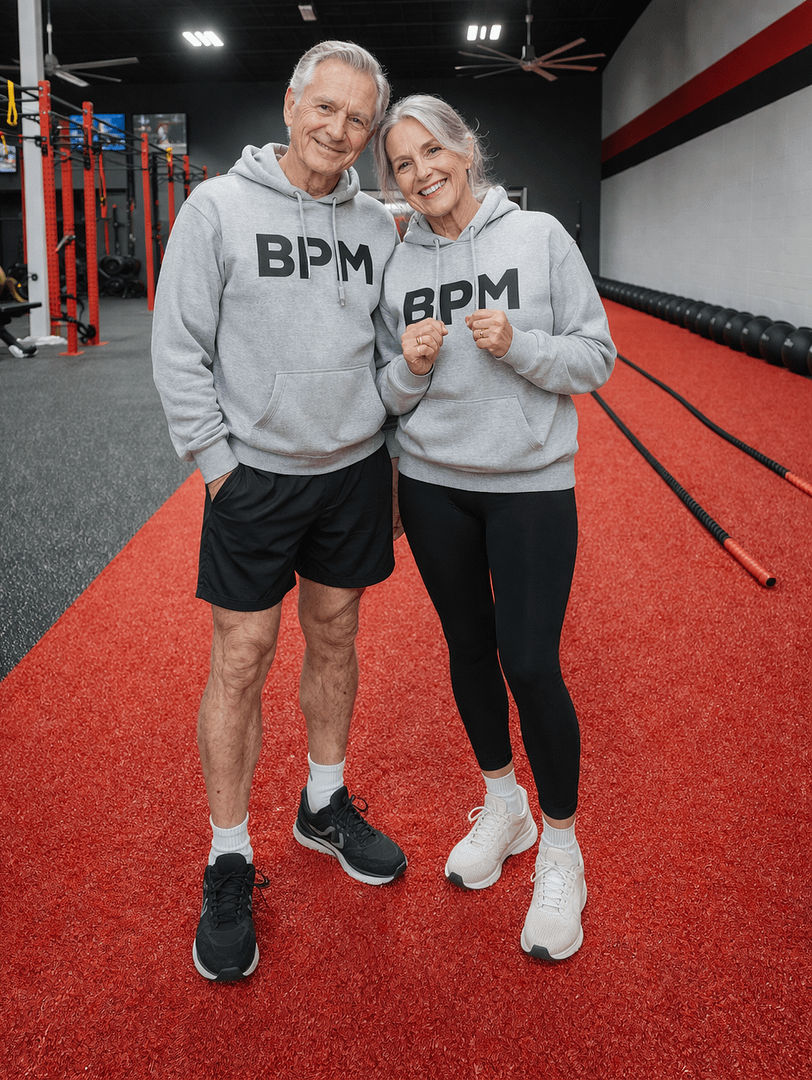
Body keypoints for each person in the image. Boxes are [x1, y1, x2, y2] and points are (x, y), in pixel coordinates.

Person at [151, 41, 406, 983]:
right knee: (244, 654)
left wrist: (393, 428)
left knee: (335, 636)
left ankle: (323, 804)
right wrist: (218, 468)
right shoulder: (217, 207)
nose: (338, 131)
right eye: (326, 109)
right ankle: (228, 853)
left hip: (351, 472)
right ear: (292, 103)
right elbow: (178, 348)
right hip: (253, 477)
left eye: (357, 120)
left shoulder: (379, 225)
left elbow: (389, 349)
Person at [373, 95, 615, 961]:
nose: (421, 171)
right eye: (402, 164)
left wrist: (521, 345)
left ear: (465, 148)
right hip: (434, 486)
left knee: (531, 661)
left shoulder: (540, 236)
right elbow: (383, 393)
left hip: (531, 485)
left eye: (432, 150)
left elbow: (596, 356)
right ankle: (502, 803)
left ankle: (561, 847)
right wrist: (407, 368)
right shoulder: (398, 263)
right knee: (468, 649)